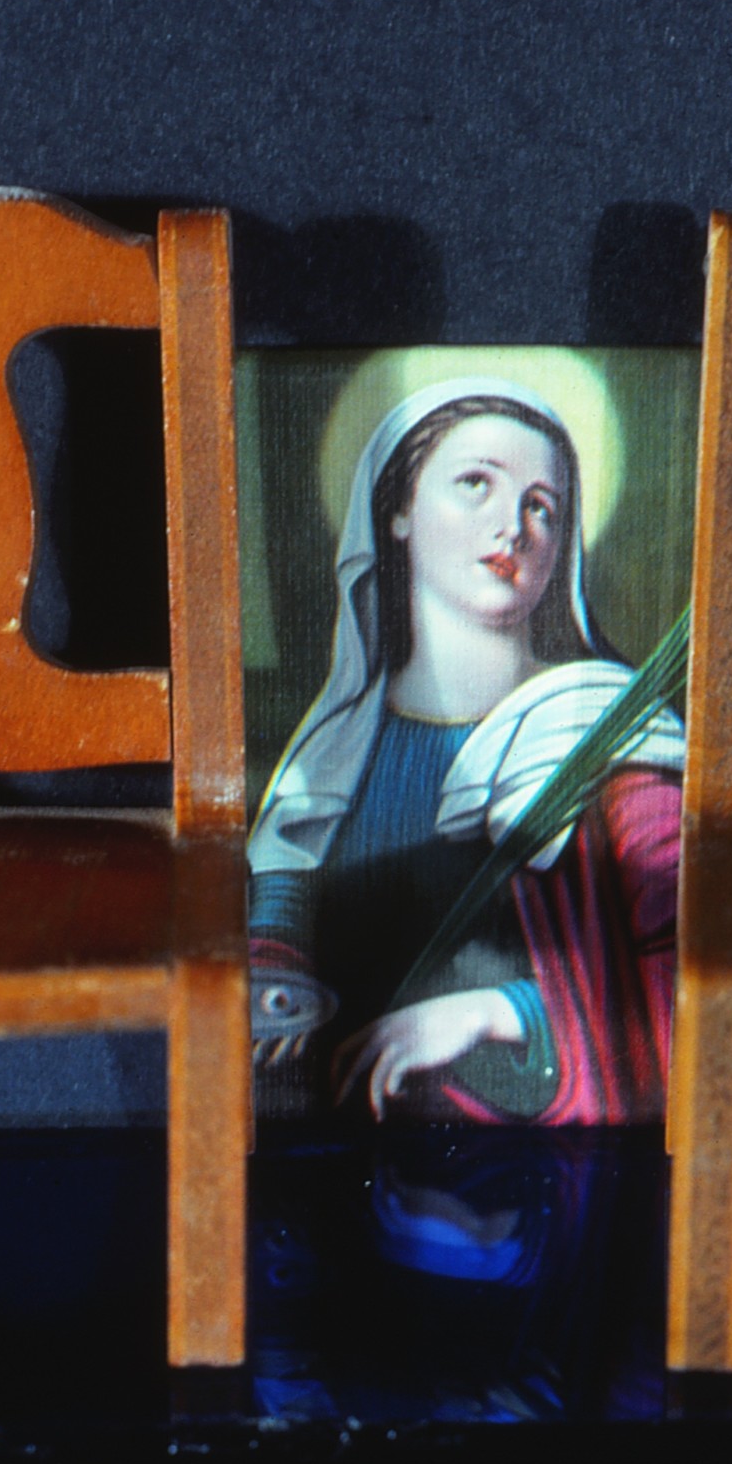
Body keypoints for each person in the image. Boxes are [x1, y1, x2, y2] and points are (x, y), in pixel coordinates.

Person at [248, 377, 682, 1124]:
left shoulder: (610, 731)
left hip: (541, 1142)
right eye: (475, 484)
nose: (512, 528)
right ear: (398, 511)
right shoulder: (335, 745)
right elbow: (279, 920)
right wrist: (268, 979)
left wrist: (500, 1011)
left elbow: (679, 946)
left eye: (541, 506)